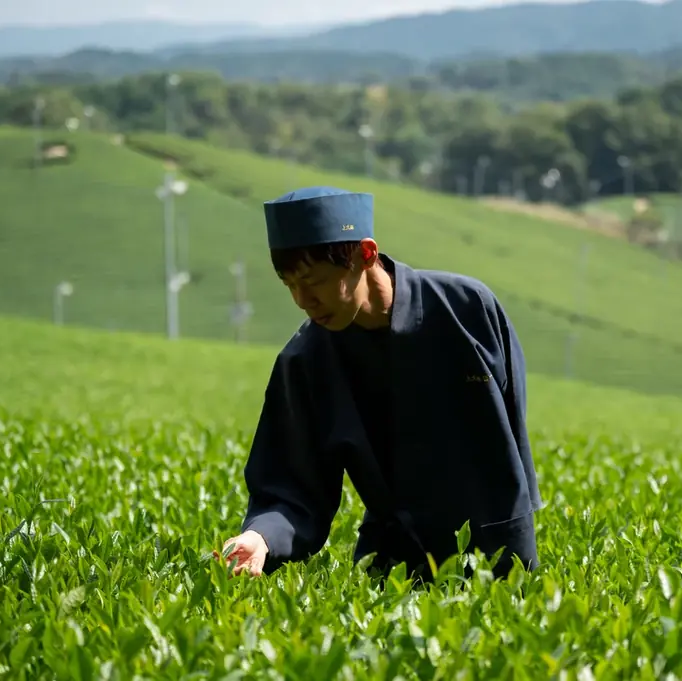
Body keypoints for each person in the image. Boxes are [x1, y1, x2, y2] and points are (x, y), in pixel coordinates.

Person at [218, 185, 542, 582]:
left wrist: (515, 532)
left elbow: (513, 433)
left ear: (364, 254)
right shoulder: (305, 361)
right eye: (290, 285)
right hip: (393, 565)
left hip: (499, 556)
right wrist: (261, 538)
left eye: (314, 280)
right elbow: (289, 484)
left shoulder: (468, 309)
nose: (303, 300)